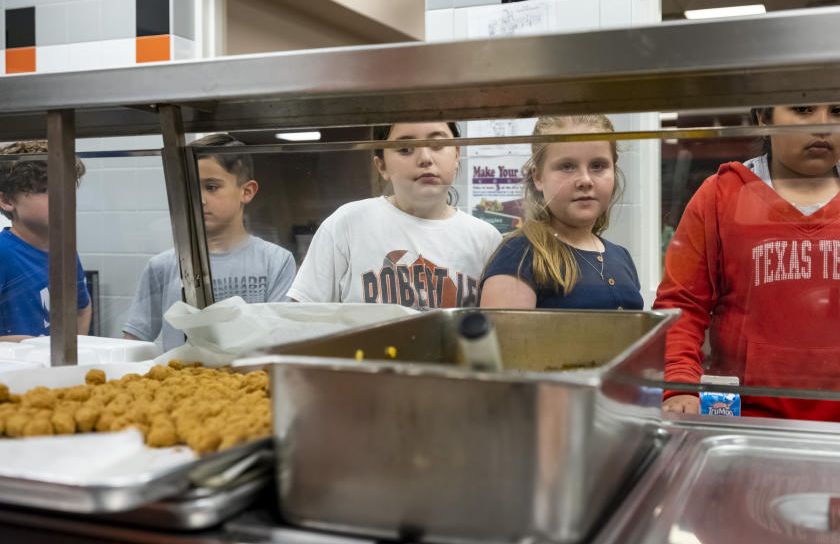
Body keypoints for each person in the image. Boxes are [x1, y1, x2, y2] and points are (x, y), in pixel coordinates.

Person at [654, 104, 840, 428]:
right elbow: (682, 305)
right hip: (743, 426)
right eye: (803, 109)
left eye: (838, 111)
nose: (823, 126)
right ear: (763, 119)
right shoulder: (720, 196)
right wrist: (680, 384)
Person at [288, 122, 501, 308]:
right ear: (381, 166)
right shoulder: (346, 225)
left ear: (456, 154)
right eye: (406, 148)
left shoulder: (486, 239)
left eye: (437, 145)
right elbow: (302, 318)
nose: (425, 158)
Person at [123, 134, 295, 351]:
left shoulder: (276, 261)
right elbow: (133, 342)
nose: (200, 199)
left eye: (212, 187)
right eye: (191, 187)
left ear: (247, 191)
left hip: (251, 381)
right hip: (181, 382)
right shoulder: (162, 266)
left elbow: (280, 340)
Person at [480, 115, 643, 310]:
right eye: (567, 166)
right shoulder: (518, 256)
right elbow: (503, 340)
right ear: (538, 177)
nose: (585, 180)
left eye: (598, 166)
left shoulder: (620, 255)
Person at [0, 140, 91, 341]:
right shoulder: (3, 253)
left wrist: (76, 353)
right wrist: (26, 346)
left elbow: (81, 308)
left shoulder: (65, 250)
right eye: (46, 190)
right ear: (7, 201)